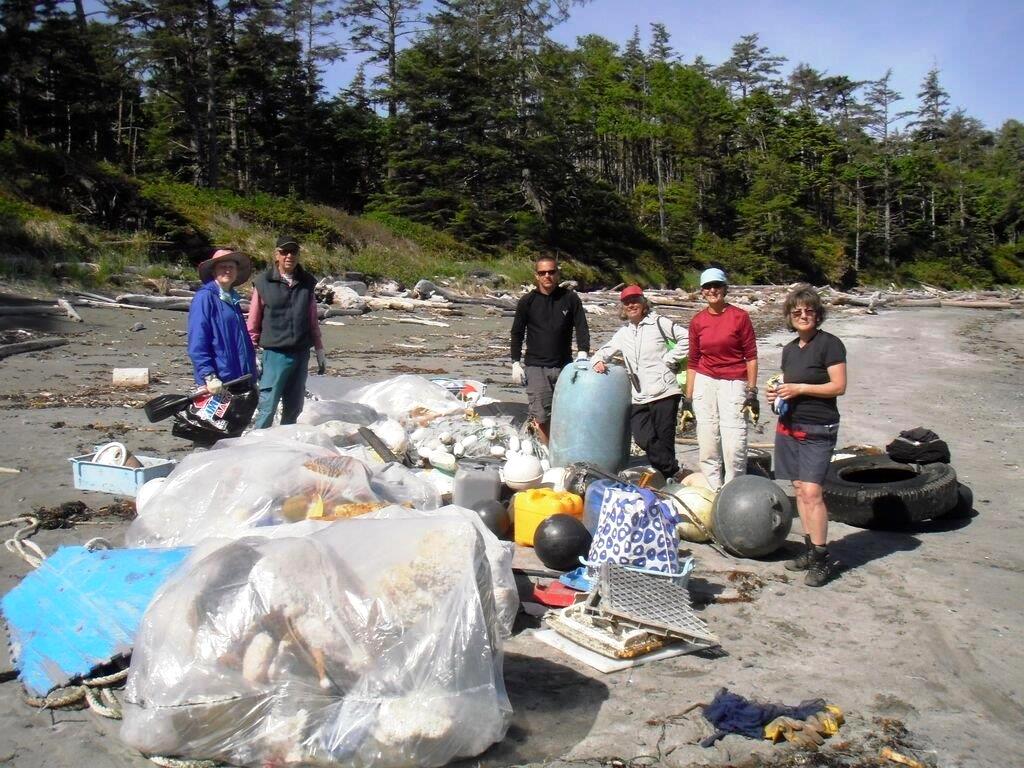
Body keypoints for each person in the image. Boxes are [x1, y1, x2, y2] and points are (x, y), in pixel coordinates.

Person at [767, 285, 847, 587]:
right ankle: (810, 550)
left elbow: (838, 386)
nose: (803, 316)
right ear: (790, 316)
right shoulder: (789, 349)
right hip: (789, 425)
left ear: (818, 314)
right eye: (797, 312)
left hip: (818, 427)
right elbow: (786, 386)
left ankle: (823, 557)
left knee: (813, 492)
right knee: (799, 488)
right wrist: (774, 395)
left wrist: (800, 388)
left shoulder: (830, 344)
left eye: (809, 311)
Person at [592, 286, 689, 481]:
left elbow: (688, 338)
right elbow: (605, 350)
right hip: (640, 394)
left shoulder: (659, 322)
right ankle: (674, 471)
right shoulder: (624, 333)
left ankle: (668, 479)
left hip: (665, 391)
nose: (631, 305)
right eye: (627, 302)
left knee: (664, 439)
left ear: (644, 302)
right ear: (623, 307)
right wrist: (597, 360)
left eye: (635, 300)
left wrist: (671, 358)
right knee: (642, 437)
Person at [685, 267, 759, 490]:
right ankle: (712, 487)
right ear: (702, 291)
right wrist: (687, 399)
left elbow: (751, 357)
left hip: (734, 382)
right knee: (708, 438)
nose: (712, 290)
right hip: (705, 381)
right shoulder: (698, 321)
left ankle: (733, 490)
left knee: (734, 441)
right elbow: (693, 361)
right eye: (707, 287)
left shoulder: (740, 317)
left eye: (717, 285)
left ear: (725, 288)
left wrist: (752, 392)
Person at [247, 235, 326, 428]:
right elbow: (253, 322)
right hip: (275, 354)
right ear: (276, 255)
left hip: (301, 353)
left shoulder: (307, 282)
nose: (289, 256)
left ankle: (285, 446)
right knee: (268, 404)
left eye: (293, 252)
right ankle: (259, 445)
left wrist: (320, 350)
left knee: (294, 406)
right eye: (284, 252)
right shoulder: (263, 283)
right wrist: (252, 352)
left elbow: (312, 320)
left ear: (298, 255)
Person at [509, 256, 590, 443]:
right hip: (536, 367)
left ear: (558, 273)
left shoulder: (570, 298)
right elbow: (517, 333)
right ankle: (547, 454)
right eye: (542, 273)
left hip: (565, 367)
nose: (547, 276)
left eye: (551, 272)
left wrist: (583, 353)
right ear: (536, 276)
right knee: (542, 416)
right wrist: (515, 362)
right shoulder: (527, 301)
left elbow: (581, 326)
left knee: (567, 414)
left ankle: (564, 450)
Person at [187, 248, 258, 392]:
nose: (227, 270)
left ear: (237, 271)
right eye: (222, 267)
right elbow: (197, 340)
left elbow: (242, 341)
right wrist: (208, 375)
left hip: (239, 377)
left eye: (231, 267)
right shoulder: (205, 298)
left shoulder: (232, 299)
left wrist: (253, 368)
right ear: (213, 271)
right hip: (218, 380)